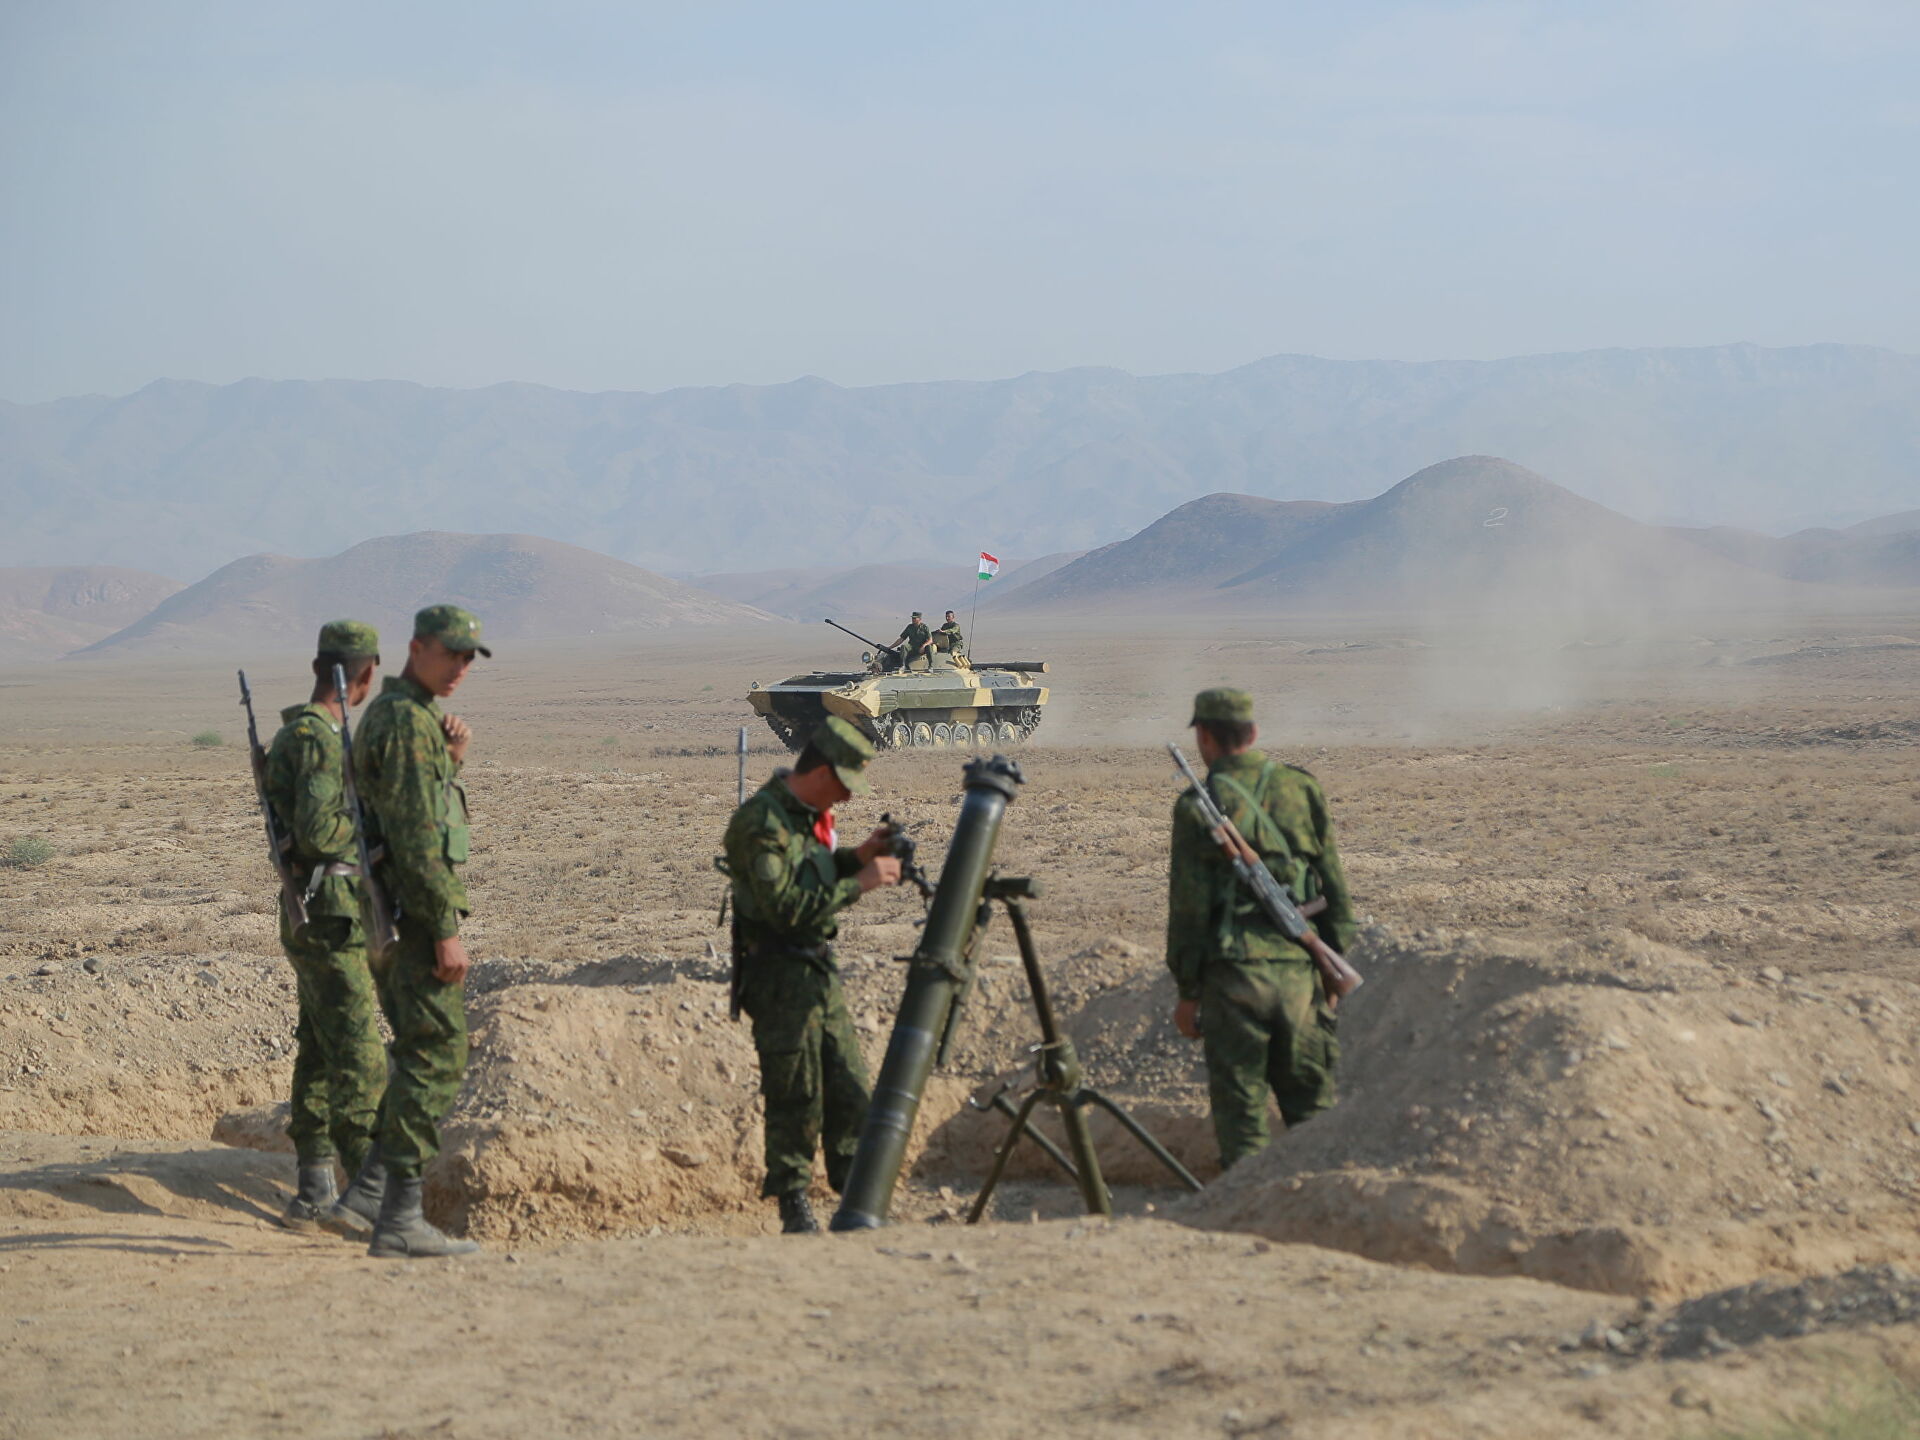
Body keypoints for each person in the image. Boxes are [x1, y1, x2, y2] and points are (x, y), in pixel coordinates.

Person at [722, 716, 901, 1233]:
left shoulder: (802, 816)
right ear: (822, 770)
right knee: (795, 1091)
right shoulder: (761, 823)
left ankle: (856, 1197)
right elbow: (786, 908)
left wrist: (855, 857)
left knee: (849, 1084)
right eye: (844, 785)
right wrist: (862, 882)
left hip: (816, 970)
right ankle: (794, 1203)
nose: (846, 799)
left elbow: (811, 872)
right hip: (779, 975)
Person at [1165, 688, 1356, 1171]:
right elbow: (1334, 890)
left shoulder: (1197, 806)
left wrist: (1188, 990)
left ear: (1204, 736)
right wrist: (1330, 961)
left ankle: (1250, 1227)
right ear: (1253, 734)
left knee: (1243, 1122)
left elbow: (1189, 911)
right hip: (1300, 979)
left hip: (1233, 980)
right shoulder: (1301, 788)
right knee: (1314, 1116)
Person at [349, 604, 486, 1258]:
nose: (460, 668)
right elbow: (415, 838)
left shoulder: (412, 720)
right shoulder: (405, 723)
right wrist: (442, 929)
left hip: (394, 915)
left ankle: (369, 1195)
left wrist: (451, 758)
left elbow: (411, 807)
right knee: (437, 1051)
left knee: (416, 1052)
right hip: (409, 918)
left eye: (469, 658)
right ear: (417, 648)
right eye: (451, 654)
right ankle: (397, 1215)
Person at [263, 620, 387, 1231]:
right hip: (331, 915)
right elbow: (317, 832)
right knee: (362, 1056)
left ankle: (312, 1189)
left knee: (316, 1046)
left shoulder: (303, 732)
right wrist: (375, 840)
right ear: (360, 676)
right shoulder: (316, 738)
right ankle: (373, 1197)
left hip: (315, 916)